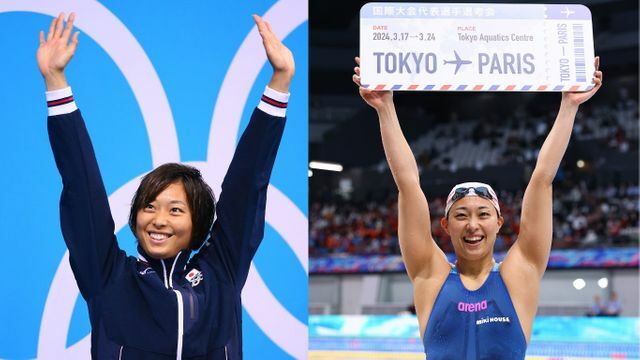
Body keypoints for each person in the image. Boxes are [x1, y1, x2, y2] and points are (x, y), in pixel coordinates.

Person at [38, 12, 294, 359]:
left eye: (175, 210)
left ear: (197, 223)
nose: (159, 220)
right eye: (149, 207)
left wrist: (280, 81)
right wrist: (55, 81)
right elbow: (81, 188)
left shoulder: (221, 273)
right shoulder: (109, 276)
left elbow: (248, 186)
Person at [352, 56, 602, 359]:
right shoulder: (430, 276)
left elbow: (542, 179)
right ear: (445, 225)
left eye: (483, 214)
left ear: (499, 222)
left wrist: (569, 106)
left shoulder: (519, 275)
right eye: (461, 215)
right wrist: (385, 108)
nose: (472, 224)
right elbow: (407, 184)